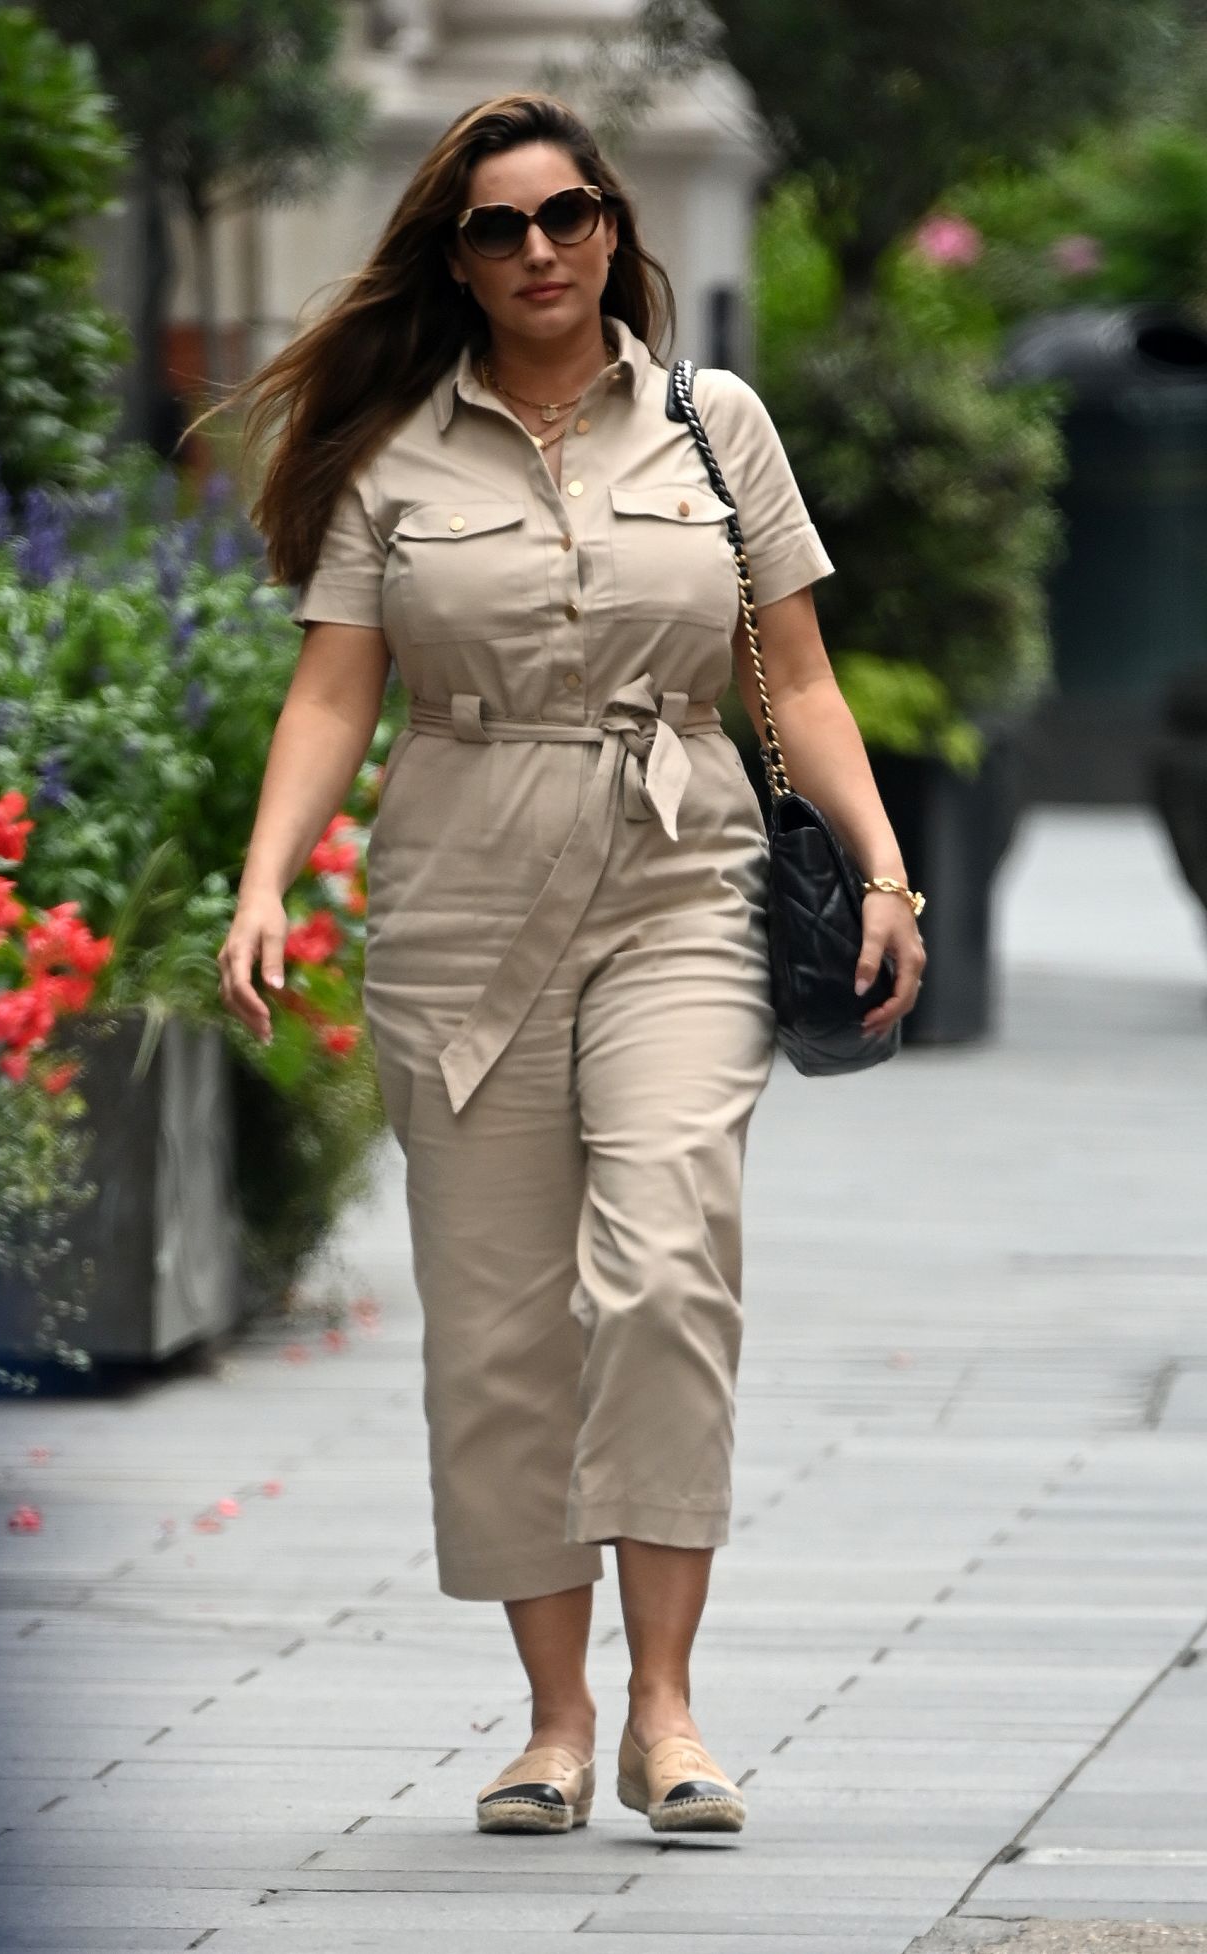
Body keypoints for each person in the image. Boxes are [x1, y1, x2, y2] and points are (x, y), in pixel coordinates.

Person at [209, 90, 926, 1837]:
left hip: (680, 867)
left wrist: (890, 868)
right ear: (451, 258)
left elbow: (801, 674)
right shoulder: (392, 453)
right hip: (457, 894)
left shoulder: (715, 422)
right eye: (498, 228)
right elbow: (332, 690)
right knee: (502, 1322)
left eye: (569, 214)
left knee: (667, 1260)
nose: (540, 250)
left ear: (616, 225)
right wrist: (261, 883)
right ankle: (553, 1716)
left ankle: (668, 1710)